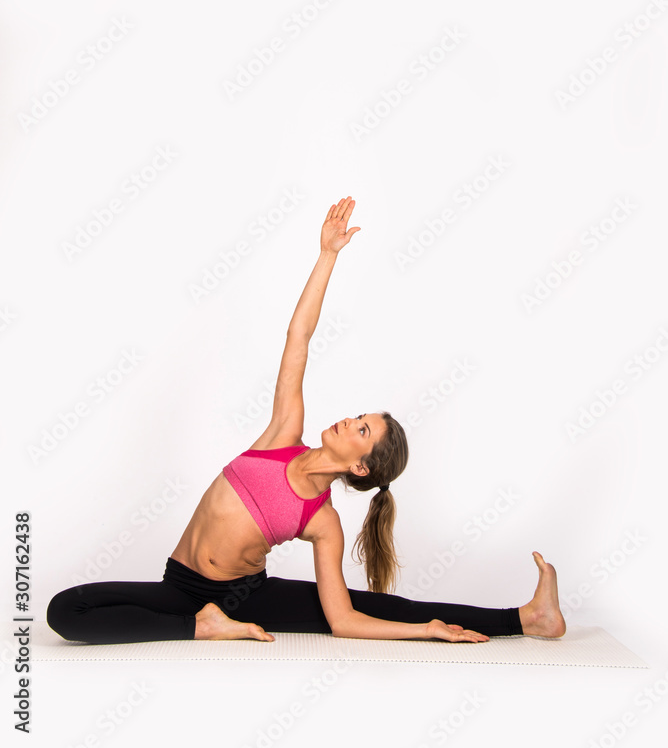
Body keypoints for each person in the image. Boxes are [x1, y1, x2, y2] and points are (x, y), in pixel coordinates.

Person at [46, 196, 566, 645]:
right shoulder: (282, 434)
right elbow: (299, 338)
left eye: (362, 430)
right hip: (179, 584)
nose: (349, 420)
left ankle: (528, 619)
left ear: (361, 468)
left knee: (387, 605)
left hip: (244, 597)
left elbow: (345, 621)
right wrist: (326, 256)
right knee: (64, 611)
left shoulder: (322, 522)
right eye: (360, 416)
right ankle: (199, 623)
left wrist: (425, 630)